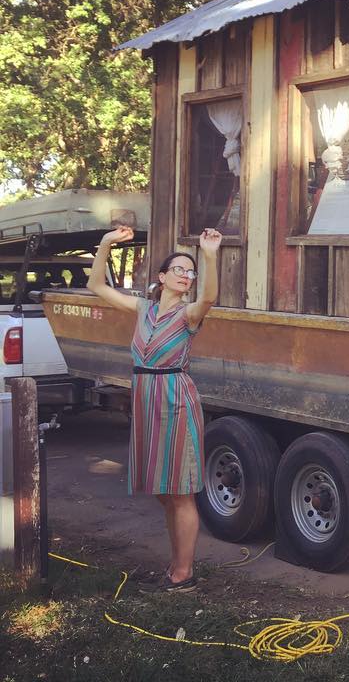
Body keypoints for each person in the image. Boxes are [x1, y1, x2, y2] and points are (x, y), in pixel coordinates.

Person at [88, 226, 221, 592]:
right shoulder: (143, 307)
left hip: (175, 398)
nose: (185, 275)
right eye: (178, 269)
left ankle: (184, 574)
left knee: (180, 491)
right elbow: (97, 287)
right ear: (161, 277)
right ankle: (176, 563)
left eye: (189, 272)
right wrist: (104, 246)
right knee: (163, 490)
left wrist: (208, 255)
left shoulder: (189, 314)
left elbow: (209, 296)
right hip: (146, 399)